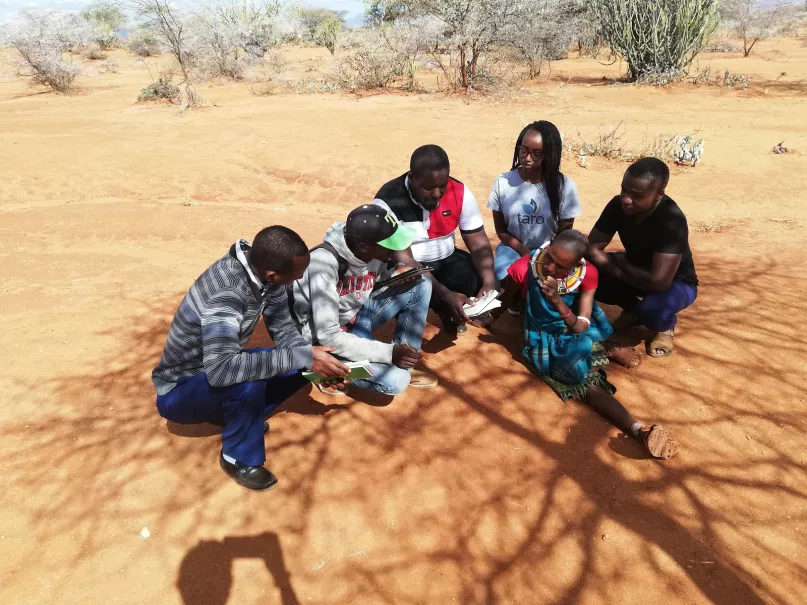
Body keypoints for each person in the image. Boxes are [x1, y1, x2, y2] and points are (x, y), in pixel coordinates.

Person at [152, 227, 350, 492]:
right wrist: (300, 355)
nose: (301, 278)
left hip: (213, 373)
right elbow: (221, 371)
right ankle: (237, 458)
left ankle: (242, 418)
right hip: (180, 391)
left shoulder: (266, 276)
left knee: (300, 370)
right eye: (297, 275)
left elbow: (282, 327)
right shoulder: (227, 294)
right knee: (252, 375)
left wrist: (310, 359)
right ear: (273, 274)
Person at [483, 230, 679, 459]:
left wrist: (557, 302)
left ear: (577, 264)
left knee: (588, 336)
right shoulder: (526, 266)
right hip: (542, 335)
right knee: (585, 378)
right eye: (550, 258)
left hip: (574, 325)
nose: (550, 268)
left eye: (560, 266)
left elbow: (580, 326)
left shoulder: (587, 275)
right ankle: (637, 429)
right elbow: (506, 299)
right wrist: (488, 319)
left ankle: (608, 350)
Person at [292, 205, 438, 396]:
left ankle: (406, 362)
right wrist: (388, 353)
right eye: (390, 243)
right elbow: (328, 335)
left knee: (422, 284)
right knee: (396, 381)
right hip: (324, 340)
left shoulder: (371, 250)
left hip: (355, 317)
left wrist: (392, 275)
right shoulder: (323, 265)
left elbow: (368, 280)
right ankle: (326, 373)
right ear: (364, 246)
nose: (396, 247)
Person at [373, 144, 496, 334]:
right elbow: (403, 259)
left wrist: (489, 283)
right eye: (429, 188)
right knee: (409, 287)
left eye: (442, 185)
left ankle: (450, 311)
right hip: (405, 267)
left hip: (446, 257)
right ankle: (409, 327)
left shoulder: (459, 191)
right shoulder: (387, 200)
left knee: (476, 277)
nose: (437, 194)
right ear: (412, 179)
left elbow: (478, 241)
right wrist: (444, 293)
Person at [587, 157, 698, 364]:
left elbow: (660, 282)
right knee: (586, 271)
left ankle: (664, 326)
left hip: (676, 283)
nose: (626, 199)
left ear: (658, 195)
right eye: (623, 190)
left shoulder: (671, 220)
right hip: (633, 271)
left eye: (637, 195)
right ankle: (633, 309)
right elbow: (591, 248)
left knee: (654, 310)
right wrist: (619, 269)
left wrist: (621, 265)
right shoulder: (617, 206)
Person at [488, 120, 582, 287]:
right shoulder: (503, 182)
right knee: (503, 273)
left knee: (554, 277)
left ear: (550, 154)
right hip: (514, 248)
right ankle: (515, 300)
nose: (527, 157)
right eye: (523, 150)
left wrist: (544, 255)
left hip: (551, 251)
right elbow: (501, 230)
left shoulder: (565, 186)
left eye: (536, 153)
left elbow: (564, 233)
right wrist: (525, 252)